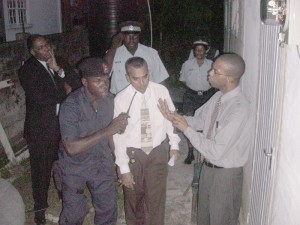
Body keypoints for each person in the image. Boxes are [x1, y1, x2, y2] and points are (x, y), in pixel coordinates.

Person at [158, 53, 252, 225]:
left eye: (215, 71)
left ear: (229, 78)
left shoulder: (239, 109)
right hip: (208, 168)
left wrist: (186, 130)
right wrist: (173, 117)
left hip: (225, 175)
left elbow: (216, 151)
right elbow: (201, 121)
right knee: (204, 218)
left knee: (221, 219)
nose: (209, 73)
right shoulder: (218, 97)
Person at [58, 57, 129, 225]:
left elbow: (113, 135)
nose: (104, 84)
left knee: (108, 209)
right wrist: (108, 130)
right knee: (74, 213)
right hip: (75, 167)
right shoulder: (71, 106)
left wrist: (120, 162)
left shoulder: (110, 101)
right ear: (84, 82)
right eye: (98, 81)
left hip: (102, 163)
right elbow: (71, 148)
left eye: (106, 80)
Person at [18, 34, 79, 225]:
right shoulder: (27, 70)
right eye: (41, 47)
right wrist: (65, 92)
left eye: (47, 45)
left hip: (62, 126)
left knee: (64, 163)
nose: (47, 49)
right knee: (40, 171)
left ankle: (64, 194)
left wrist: (58, 70)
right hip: (40, 130)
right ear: (33, 52)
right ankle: (40, 208)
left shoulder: (58, 62)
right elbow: (40, 98)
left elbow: (76, 84)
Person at [113, 57, 180, 225]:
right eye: (136, 78)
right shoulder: (121, 99)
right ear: (128, 78)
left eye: (145, 76)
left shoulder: (160, 91)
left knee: (156, 199)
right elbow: (118, 136)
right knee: (134, 198)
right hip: (134, 154)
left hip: (157, 152)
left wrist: (174, 144)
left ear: (149, 73)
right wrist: (123, 168)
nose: (142, 82)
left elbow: (170, 118)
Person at [104, 20, 169, 94]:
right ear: (122, 37)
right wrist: (113, 47)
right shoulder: (114, 53)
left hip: (147, 97)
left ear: (139, 36)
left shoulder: (151, 53)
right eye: (128, 36)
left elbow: (160, 79)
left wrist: (164, 98)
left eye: (135, 36)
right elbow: (104, 72)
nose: (131, 40)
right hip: (122, 100)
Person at [180, 40, 217, 164]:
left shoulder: (212, 64)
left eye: (202, 50)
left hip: (207, 97)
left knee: (206, 123)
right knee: (189, 124)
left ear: (206, 51)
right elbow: (183, 80)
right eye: (197, 50)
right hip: (191, 96)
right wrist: (194, 88)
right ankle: (190, 152)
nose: (199, 52)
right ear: (193, 51)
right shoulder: (187, 64)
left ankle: (203, 152)